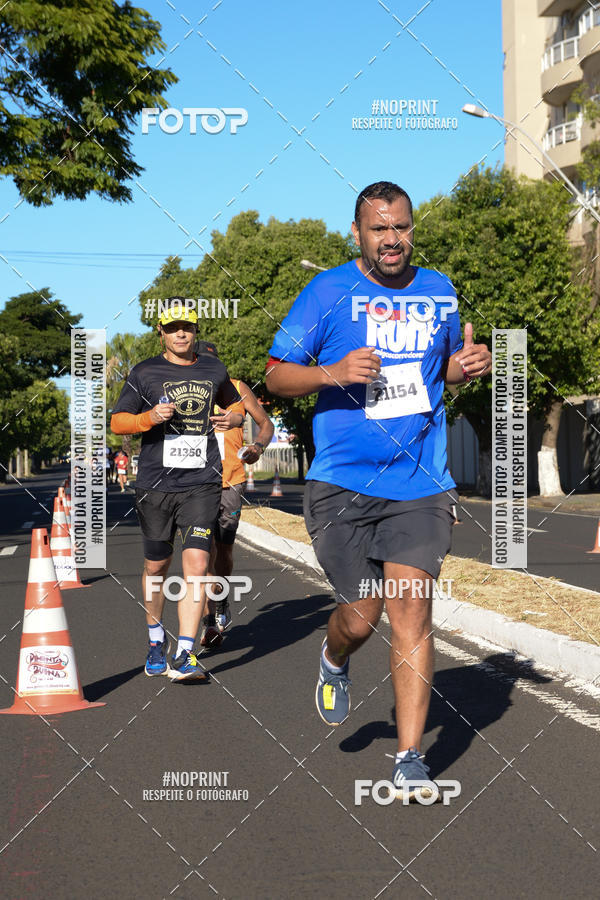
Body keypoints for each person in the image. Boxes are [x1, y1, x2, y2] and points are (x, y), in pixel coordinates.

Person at [265, 181, 491, 800]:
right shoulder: (328, 291)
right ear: (359, 233)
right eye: (379, 229)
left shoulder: (439, 289)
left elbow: (438, 367)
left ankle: (409, 756)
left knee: (410, 606)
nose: (393, 240)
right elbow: (276, 375)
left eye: (402, 228)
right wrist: (331, 373)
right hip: (341, 483)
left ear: (412, 228)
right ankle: (335, 657)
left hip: (420, 480)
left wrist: (465, 367)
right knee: (362, 618)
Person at [110, 299, 244, 682]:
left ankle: (186, 653)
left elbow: (236, 407)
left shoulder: (214, 368)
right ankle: (156, 640)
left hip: (202, 481)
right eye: (172, 328)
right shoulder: (145, 371)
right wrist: (148, 418)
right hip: (155, 484)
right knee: (156, 568)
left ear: (196, 329)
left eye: (186, 326)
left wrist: (233, 417)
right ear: (162, 333)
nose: (180, 333)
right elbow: (118, 422)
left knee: (198, 566)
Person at [195, 342, 275, 649]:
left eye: (215, 365)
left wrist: (258, 447)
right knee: (202, 555)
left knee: (223, 551)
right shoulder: (186, 391)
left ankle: (222, 596)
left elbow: (265, 424)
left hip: (231, 483)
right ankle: (208, 621)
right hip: (195, 485)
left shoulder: (238, 388)